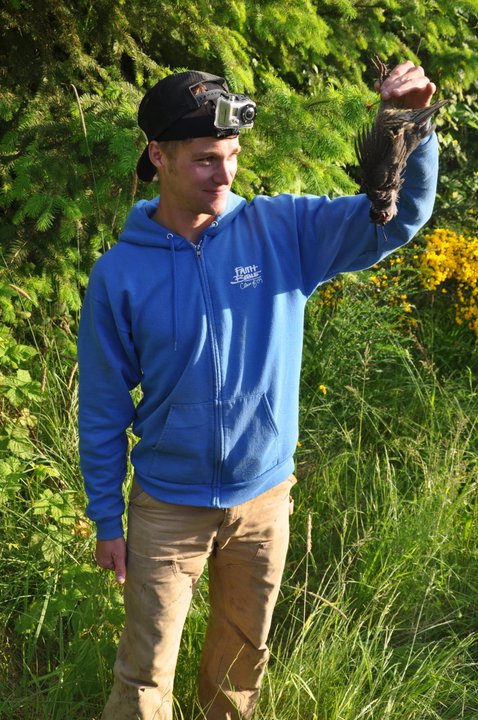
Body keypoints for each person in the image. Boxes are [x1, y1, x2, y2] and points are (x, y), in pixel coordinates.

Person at [78, 63, 439, 720]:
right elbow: (102, 407)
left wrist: (409, 125)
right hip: (167, 509)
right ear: (158, 155)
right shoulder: (119, 274)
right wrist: (108, 517)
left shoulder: (282, 234)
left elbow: (398, 219)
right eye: (206, 160)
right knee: (142, 679)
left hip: (264, 502)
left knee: (240, 672)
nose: (226, 175)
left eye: (233, 157)